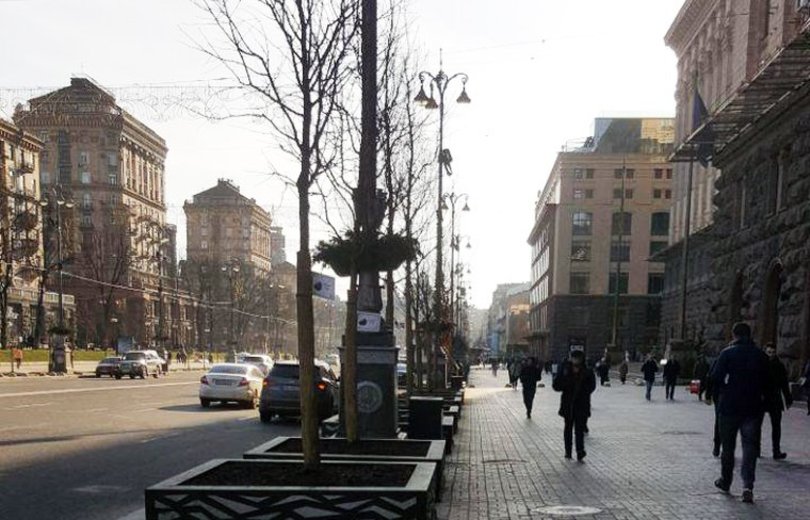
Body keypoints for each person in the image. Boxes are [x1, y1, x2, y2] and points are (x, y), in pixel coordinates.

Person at [711, 322, 771, 504]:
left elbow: (716, 378)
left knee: (728, 447)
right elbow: (769, 383)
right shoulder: (761, 356)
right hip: (753, 408)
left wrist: (723, 392)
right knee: (750, 447)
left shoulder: (727, 354)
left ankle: (726, 481)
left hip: (729, 407)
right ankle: (747, 486)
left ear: (734, 334)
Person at [553, 350, 596, 461]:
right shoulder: (565, 370)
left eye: (578, 358)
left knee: (579, 430)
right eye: (574, 358)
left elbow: (592, 386)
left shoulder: (587, 371)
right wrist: (565, 379)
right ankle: (568, 451)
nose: (576, 360)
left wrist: (583, 392)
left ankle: (580, 451)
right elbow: (556, 386)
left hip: (581, 405)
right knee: (568, 429)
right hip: (568, 405)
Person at [761, 343, 792, 460]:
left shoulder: (779, 366)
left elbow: (784, 383)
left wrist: (788, 398)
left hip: (775, 398)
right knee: (757, 425)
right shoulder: (760, 364)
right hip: (762, 398)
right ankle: (756, 449)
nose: (771, 355)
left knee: (776, 426)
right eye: (769, 352)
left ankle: (776, 451)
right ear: (765, 352)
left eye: (773, 352)